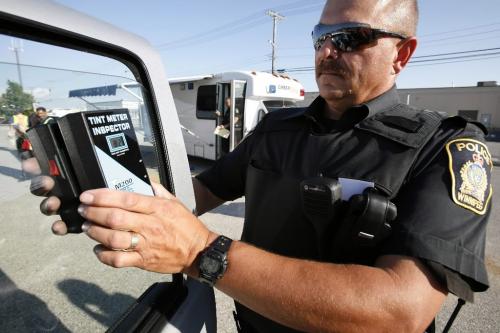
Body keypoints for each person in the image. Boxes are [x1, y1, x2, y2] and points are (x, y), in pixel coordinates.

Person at [29, 0, 492, 332]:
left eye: (350, 37)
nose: (327, 51)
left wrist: (203, 253)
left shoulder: (445, 145)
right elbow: (198, 195)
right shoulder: (276, 129)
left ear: (402, 54)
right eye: (320, 37)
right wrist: (108, 189)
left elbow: (402, 311)